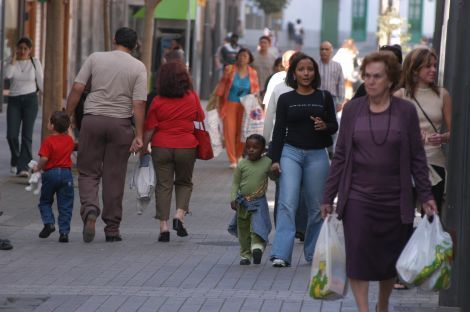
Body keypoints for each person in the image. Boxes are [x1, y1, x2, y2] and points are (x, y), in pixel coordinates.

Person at [320, 51, 437, 312]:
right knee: (358, 256)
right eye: (367, 76)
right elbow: (340, 156)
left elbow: (417, 157)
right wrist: (328, 196)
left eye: (377, 76)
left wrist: (427, 196)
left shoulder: (405, 111)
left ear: (391, 79)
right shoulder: (352, 111)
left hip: (395, 198)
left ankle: (382, 305)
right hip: (358, 197)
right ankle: (364, 309)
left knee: (388, 260)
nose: (371, 82)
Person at [66, 27, 147, 243]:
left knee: (88, 172)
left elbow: (77, 88)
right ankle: (112, 229)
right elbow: (138, 103)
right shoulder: (138, 67)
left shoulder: (96, 58)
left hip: (92, 121)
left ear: (114, 39)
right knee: (114, 176)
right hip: (120, 125)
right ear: (135, 45)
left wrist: (67, 116)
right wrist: (139, 135)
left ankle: (90, 209)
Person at [269, 53, 338, 267]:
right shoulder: (285, 98)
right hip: (290, 152)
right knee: (287, 202)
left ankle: (313, 253)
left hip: (317, 154)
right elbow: (279, 130)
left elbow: (334, 126)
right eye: (301, 69)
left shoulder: (324, 97)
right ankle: (281, 253)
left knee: (317, 207)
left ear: (315, 73)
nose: (306, 73)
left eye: (310, 69)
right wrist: (274, 158)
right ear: (294, 73)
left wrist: (325, 126)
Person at [143, 61, 204, 242]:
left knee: (164, 185)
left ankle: (163, 227)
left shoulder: (157, 100)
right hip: (186, 146)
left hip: (161, 147)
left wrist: (142, 148)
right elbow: (200, 119)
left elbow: (149, 128)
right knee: (184, 183)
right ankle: (179, 215)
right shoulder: (192, 97)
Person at [394, 48, 452, 211]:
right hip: (406, 162)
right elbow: (390, 132)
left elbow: (454, 133)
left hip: (435, 162)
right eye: (428, 66)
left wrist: (442, 137)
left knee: (432, 218)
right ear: (415, 68)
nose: (433, 70)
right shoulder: (401, 95)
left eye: (435, 65)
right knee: (403, 217)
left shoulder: (443, 95)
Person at [33, 111, 75, 243]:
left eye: (49, 121)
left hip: (50, 174)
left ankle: (49, 223)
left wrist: (37, 168)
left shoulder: (48, 141)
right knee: (65, 205)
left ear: (51, 125)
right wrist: (68, 127)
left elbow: (44, 158)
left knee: (45, 201)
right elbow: (73, 139)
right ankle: (64, 233)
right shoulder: (69, 140)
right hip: (66, 174)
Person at [230, 134, 272, 265]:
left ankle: (257, 248)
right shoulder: (242, 164)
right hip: (242, 203)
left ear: (263, 150)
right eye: (248, 147)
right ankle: (245, 255)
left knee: (257, 227)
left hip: (258, 202)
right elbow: (235, 183)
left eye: (255, 147)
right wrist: (233, 198)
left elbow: (274, 178)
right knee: (243, 230)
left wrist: (275, 171)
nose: (251, 150)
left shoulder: (267, 162)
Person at [5, 37, 44, 177]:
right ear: (16, 49)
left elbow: (41, 82)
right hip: (14, 101)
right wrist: (14, 60)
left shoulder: (35, 62)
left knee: (27, 136)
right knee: (11, 135)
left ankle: (23, 167)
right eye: (20, 48)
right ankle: (15, 159)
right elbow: (7, 75)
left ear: (30, 50)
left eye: (25, 49)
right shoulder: (11, 61)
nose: (22, 51)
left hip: (30, 101)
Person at [216, 48, 260, 168]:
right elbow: (221, 86)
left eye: (245, 56)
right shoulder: (229, 69)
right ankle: (232, 159)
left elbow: (256, 90)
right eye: (240, 56)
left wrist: (257, 105)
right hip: (230, 104)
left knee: (242, 131)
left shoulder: (253, 72)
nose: (242, 58)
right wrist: (217, 102)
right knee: (229, 131)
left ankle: (239, 155)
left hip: (245, 106)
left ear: (249, 59)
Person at [318, 41, 345, 110]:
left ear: (331, 51)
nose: (324, 51)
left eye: (326, 49)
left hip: (333, 99)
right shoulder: (315, 66)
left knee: (331, 120)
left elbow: (341, 84)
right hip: (318, 99)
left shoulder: (337, 66)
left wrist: (340, 102)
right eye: (322, 49)